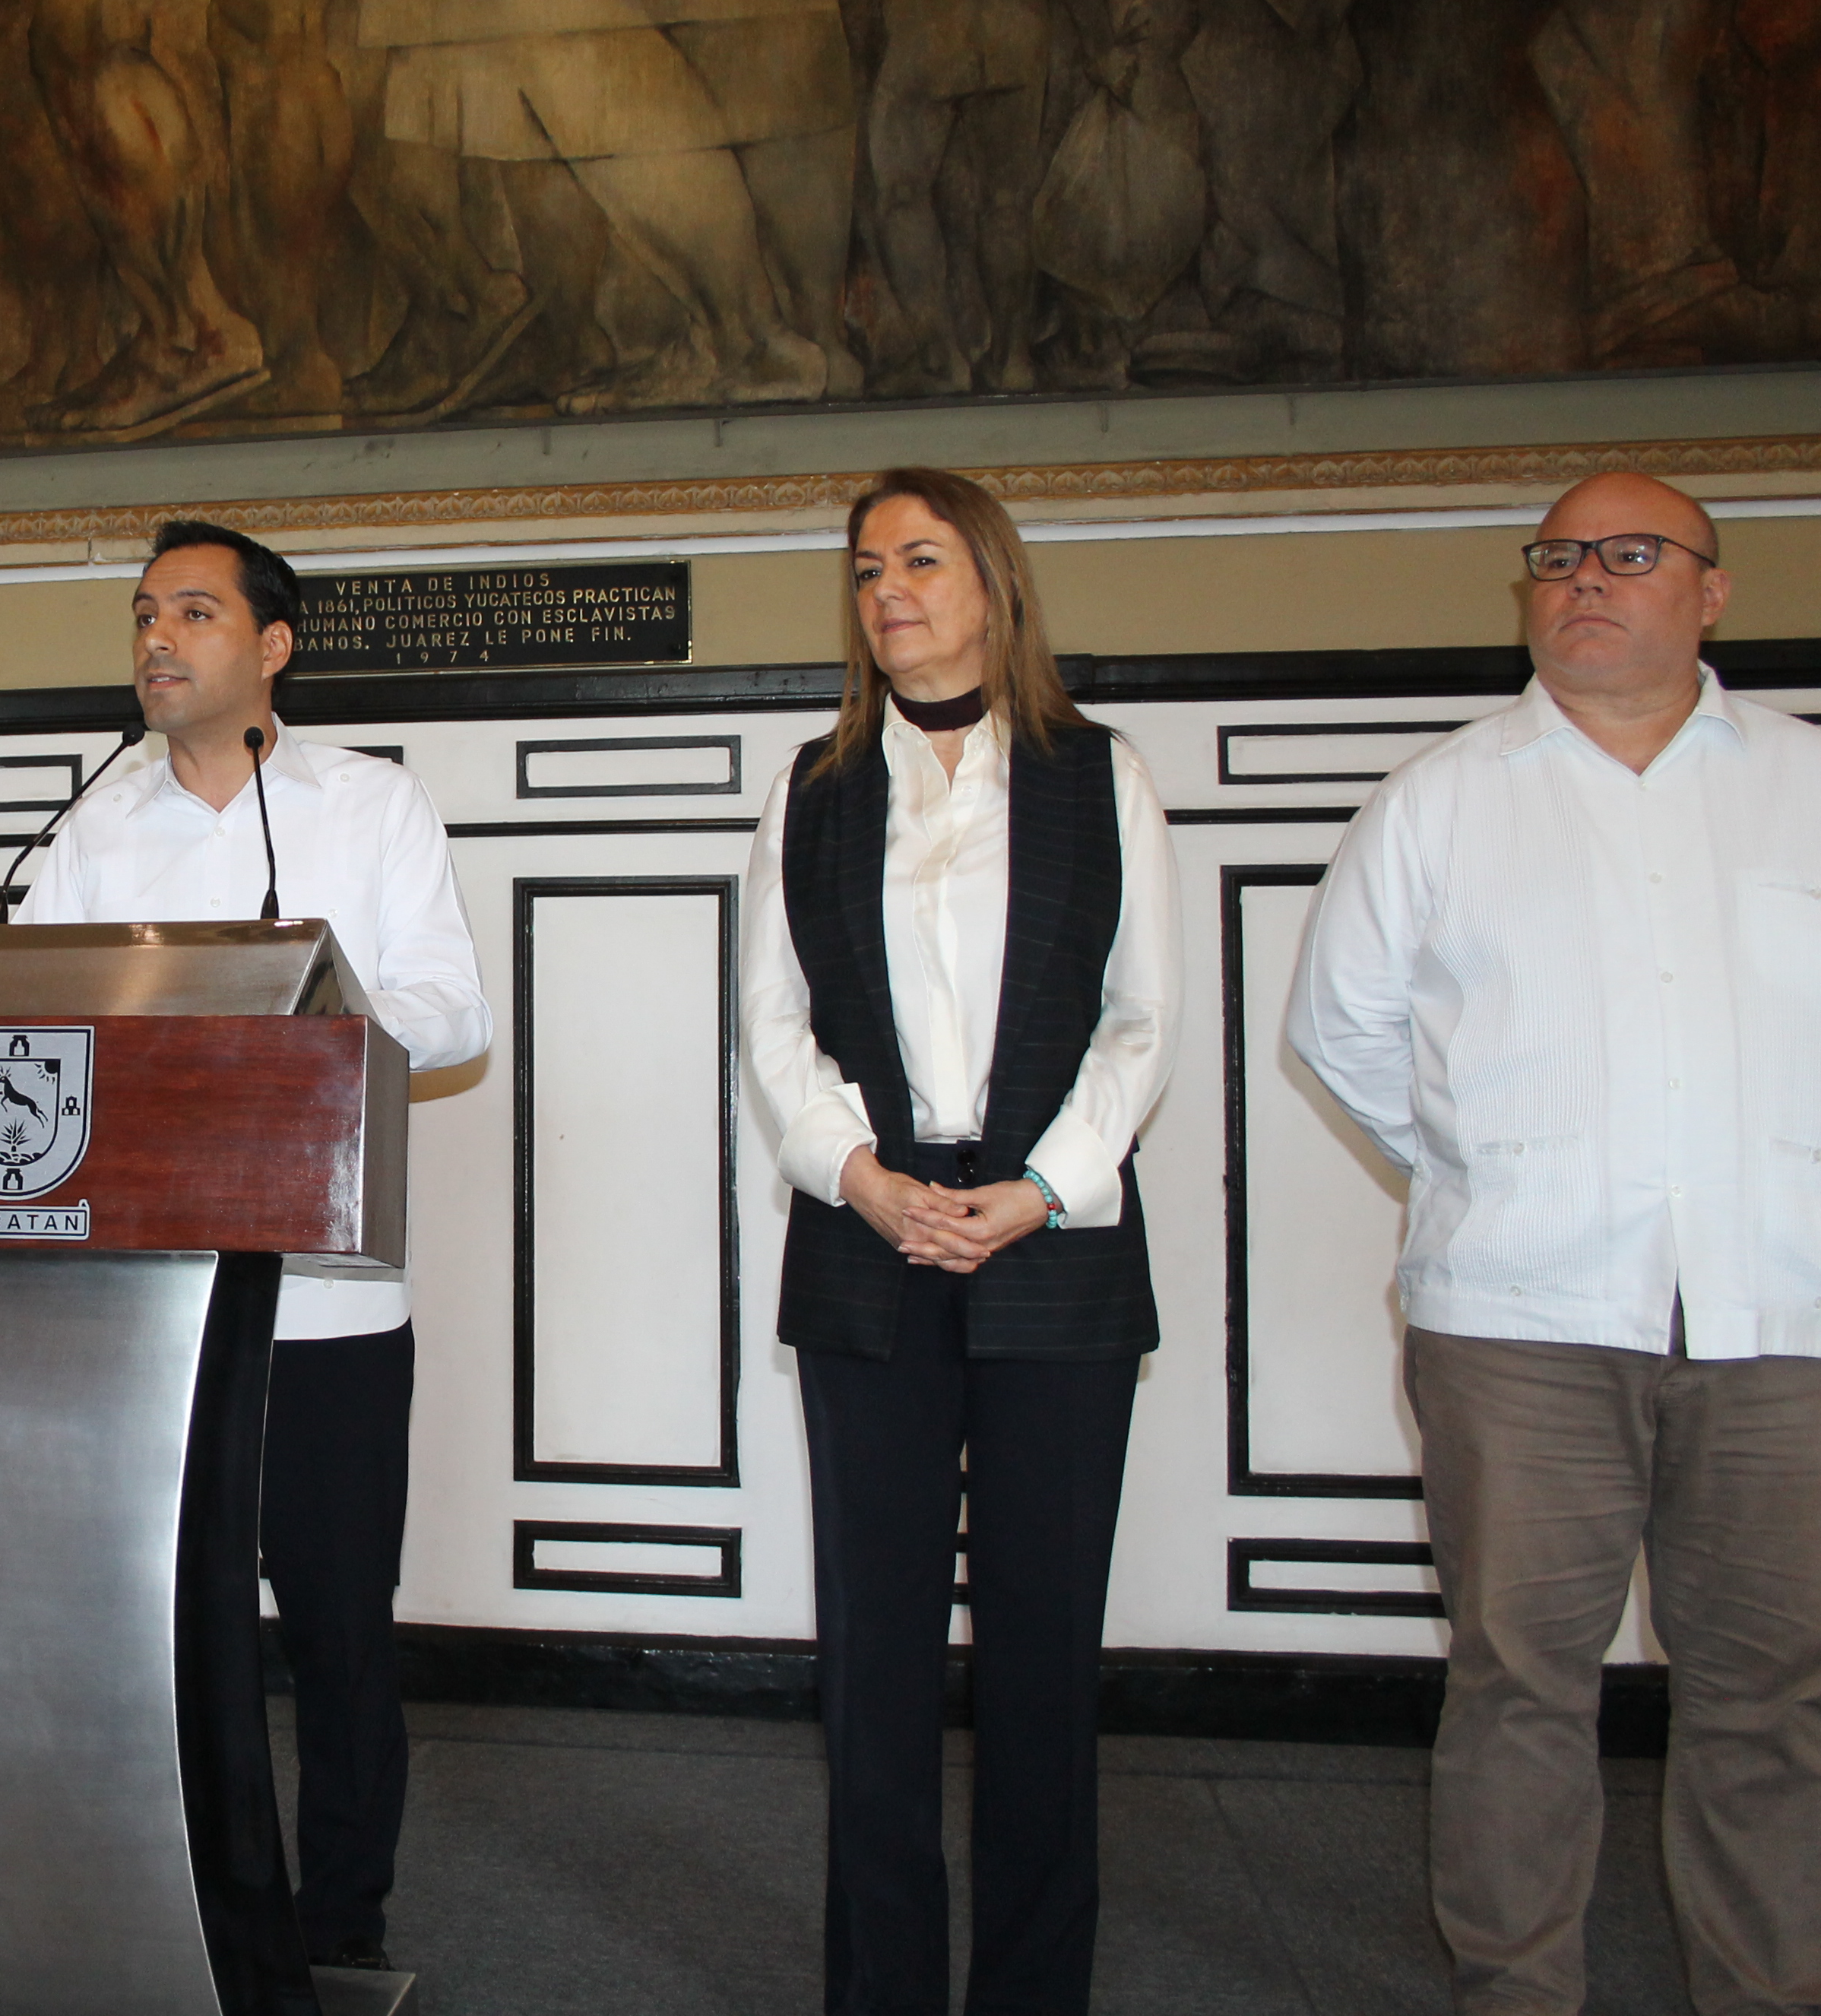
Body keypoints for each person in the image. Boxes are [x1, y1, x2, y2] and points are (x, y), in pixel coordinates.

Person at [1286, 472, 1821, 2016]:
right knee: (1519, 1691)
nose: (1588, 576)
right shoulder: (1440, 799)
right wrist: (1493, 1173)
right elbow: (1340, 1029)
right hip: (1519, 1327)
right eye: (1560, 556)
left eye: (1632, 554)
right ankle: (1517, 1993)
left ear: (1712, 592)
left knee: (1771, 1701)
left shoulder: (1805, 783)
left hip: (1783, 1324)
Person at [16, 518, 490, 1972]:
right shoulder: (93, 822)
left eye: (194, 612)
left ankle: (342, 1929)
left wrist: (305, 1020)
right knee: (176, 1633)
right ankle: (199, 1921)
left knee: (340, 1636)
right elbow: (22, 1021)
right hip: (150, 1309)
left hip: (330, 1306)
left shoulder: (373, 804)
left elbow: (455, 1016)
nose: (157, 638)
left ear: (273, 647)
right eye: (143, 614)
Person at [736, 467, 1180, 2014]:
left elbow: (1142, 1019)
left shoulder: (1099, 774)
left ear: (994, 583)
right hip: (869, 1233)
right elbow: (774, 1028)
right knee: (874, 1662)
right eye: (867, 570)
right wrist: (860, 1176)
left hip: (1054, 1237)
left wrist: (1044, 1184)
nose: (888, 591)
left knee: (1044, 1660)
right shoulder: (812, 787)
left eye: (920, 560)